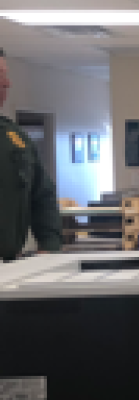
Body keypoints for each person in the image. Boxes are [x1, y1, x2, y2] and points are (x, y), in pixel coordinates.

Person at [0, 48, 61, 261]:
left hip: (8, 266)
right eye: (0, 75)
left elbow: (43, 195)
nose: (7, 83)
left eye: (5, 75)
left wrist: (48, 247)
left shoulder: (14, 137)